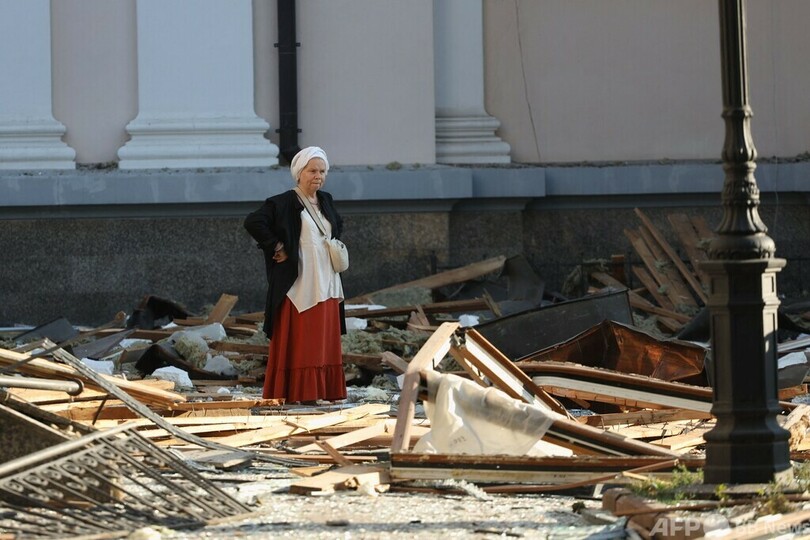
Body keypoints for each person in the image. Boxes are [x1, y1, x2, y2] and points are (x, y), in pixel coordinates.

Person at [244, 146, 347, 404]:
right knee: (305, 337)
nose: (318, 176)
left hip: (327, 278)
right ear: (299, 173)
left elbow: (337, 225)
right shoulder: (284, 202)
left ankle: (323, 390)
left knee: (323, 336)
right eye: (312, 171)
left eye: (322, 171)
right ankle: (300, 392)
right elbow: (253, 222)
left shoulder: (326, 200)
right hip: (300, 281)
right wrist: (278, 246)